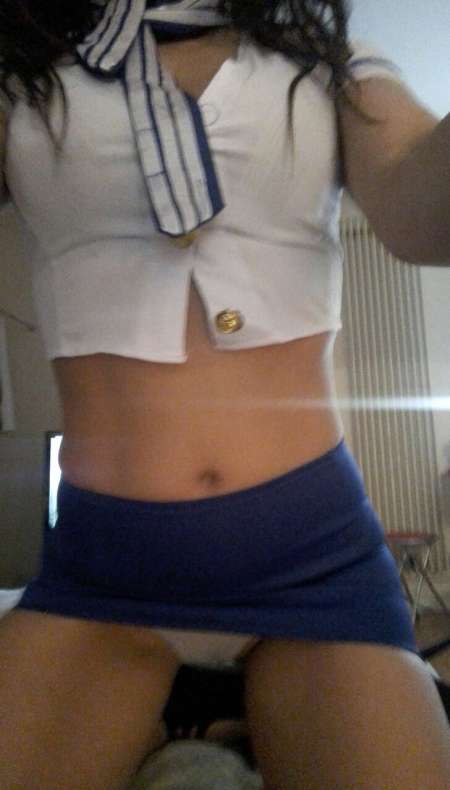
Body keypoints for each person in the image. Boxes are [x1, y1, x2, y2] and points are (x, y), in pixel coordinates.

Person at [0, 1, 449, 788]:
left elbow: (424, 215)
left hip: (317, 558)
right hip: (103, 569)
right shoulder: (21, 73)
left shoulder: (326, 58)